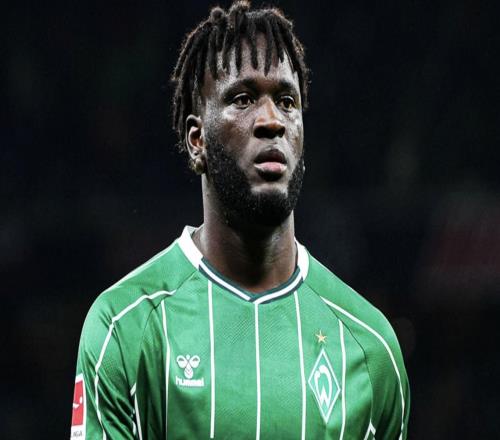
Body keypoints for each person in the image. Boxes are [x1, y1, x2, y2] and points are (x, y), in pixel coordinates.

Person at [70, 2, 410, 439]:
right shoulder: (125, 327)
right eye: (243, 99)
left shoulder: (370, 348)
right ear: (197, 141)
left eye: (287, 102)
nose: (271, 121)